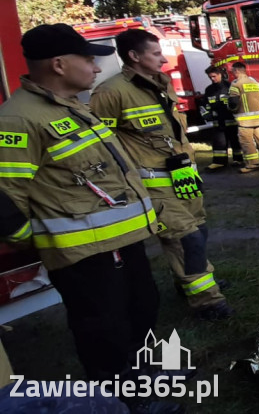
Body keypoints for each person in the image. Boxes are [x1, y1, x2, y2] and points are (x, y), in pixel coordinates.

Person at [0, 24, 160, 383]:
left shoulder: (72, 107)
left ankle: (142, 377)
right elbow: (4, 197)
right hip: (84, 254)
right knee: (104, 330)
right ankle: (122, 398)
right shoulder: (19, 118)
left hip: (119, 242)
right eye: (88, 60)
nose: (97, 68)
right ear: (58, 65)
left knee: (140, 311)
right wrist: (42, 240)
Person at [91, 29, 233, 321]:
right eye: (156, 54)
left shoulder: (161, 84)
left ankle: (191, 283)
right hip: (153, 181)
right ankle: (207, 302)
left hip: (183, 174)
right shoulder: (110, 93)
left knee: (199, 229)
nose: (164, 59)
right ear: (134, 56)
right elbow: (102, 144)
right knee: (185, 238)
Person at [227, 62, 259, 173]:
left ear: (237, 71)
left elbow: (233, 102)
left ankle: (252, 164)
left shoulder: (236, 84)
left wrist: (232, 110)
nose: (232, 73)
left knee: (247, 142)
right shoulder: (255, 83)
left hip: (245, 121)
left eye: (233, 71)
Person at [200, 65, 243, 170]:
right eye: (210, 77)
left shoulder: (230, 87)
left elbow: (238, 102)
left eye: (214, 76)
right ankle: (219, 162)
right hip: (218, 122)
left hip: (231, 121)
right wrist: (207, 115)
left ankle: (238, 160)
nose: (212, 79)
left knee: (235, 141)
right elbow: (204, 104)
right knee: (219, 142)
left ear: (220, 74)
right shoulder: (209, 90)